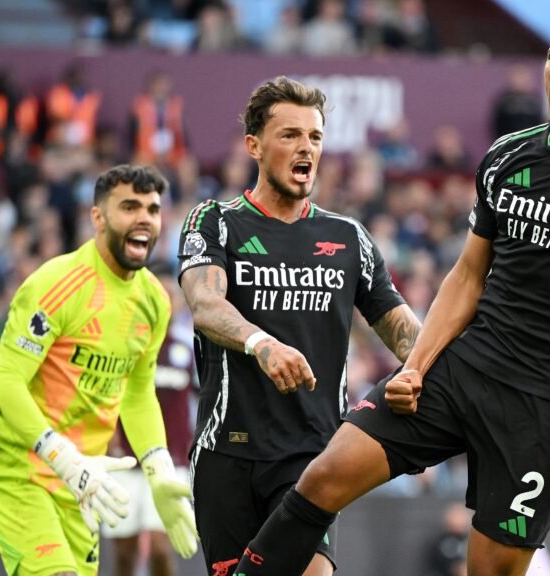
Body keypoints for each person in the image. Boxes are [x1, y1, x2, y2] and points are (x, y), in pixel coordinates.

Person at [233, 12, 550, 575]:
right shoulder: (509, 156)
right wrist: (415, 365)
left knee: (488, 571)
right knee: (324, 477)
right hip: (462, 368)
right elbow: (468, 276)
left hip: (545, 406)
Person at [177, 76, 420, 576]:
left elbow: (401, 327)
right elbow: (204, 303)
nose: (305, 146)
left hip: (312, 455)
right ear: (254, 146)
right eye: (289, 135)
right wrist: (262, 344)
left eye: (314, 136)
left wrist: (432, 366)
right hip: (228, 453)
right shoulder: (215, 221)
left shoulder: (348, 237)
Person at [0, 164, 198, 576]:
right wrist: (63, 457)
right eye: (129, 207)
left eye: (152, 208)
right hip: (18, 474)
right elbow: (4, 385)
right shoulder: (55, 284)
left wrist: (159, 467)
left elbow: (137, 391)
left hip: (83, 486)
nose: (144, 218)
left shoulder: (154, 301)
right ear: (98, 217)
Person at [103, 268, 197, 576]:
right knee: (125, 553)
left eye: (172, 297)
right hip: (126, 461)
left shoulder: (188, 348)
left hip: (170, 461)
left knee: (159, 545)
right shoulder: (125, 346)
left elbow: (209, 397)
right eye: (161, 296)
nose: (166, 303)